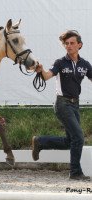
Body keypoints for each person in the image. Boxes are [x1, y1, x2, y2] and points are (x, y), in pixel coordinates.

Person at [32, 30, 92, 181]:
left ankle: (40, 141)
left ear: (80, 45)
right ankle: (75, 172)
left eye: (72, 43)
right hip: (62, 104)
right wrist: (40, 71)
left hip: (75, 105)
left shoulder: (85, 64)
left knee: (70, 141)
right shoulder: (60, 62)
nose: (69, 46)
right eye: (66, 44)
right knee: (78, 137)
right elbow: (47, 76)